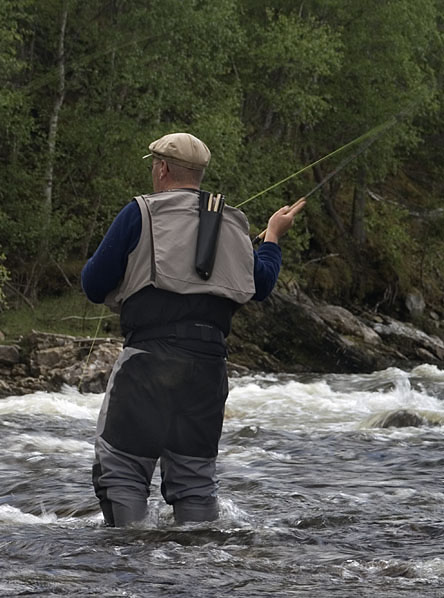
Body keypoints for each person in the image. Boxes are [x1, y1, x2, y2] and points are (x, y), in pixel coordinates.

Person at [81, 132, 303, 526]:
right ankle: (198, 569)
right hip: (207, 371)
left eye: (153, 165)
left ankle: (125, 567)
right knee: (195, 483)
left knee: (122, 475)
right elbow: (262, 284)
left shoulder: (139, 213)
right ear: (199, 174)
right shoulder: (232, 221)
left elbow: (94, 285)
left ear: (162, 168)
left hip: (148, 365)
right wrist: (271, 237)